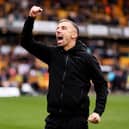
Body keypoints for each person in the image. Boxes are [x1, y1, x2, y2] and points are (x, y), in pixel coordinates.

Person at [21, 5, 108, 129]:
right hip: (53, 120)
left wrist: (98, 111)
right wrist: (31, 18)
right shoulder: (53, 54)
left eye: (63, 28)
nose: (58, 30)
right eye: (57, 28)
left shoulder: (87, 59)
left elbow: (101, 85)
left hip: (77, 121)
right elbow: (26, 42)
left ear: (74, 35)